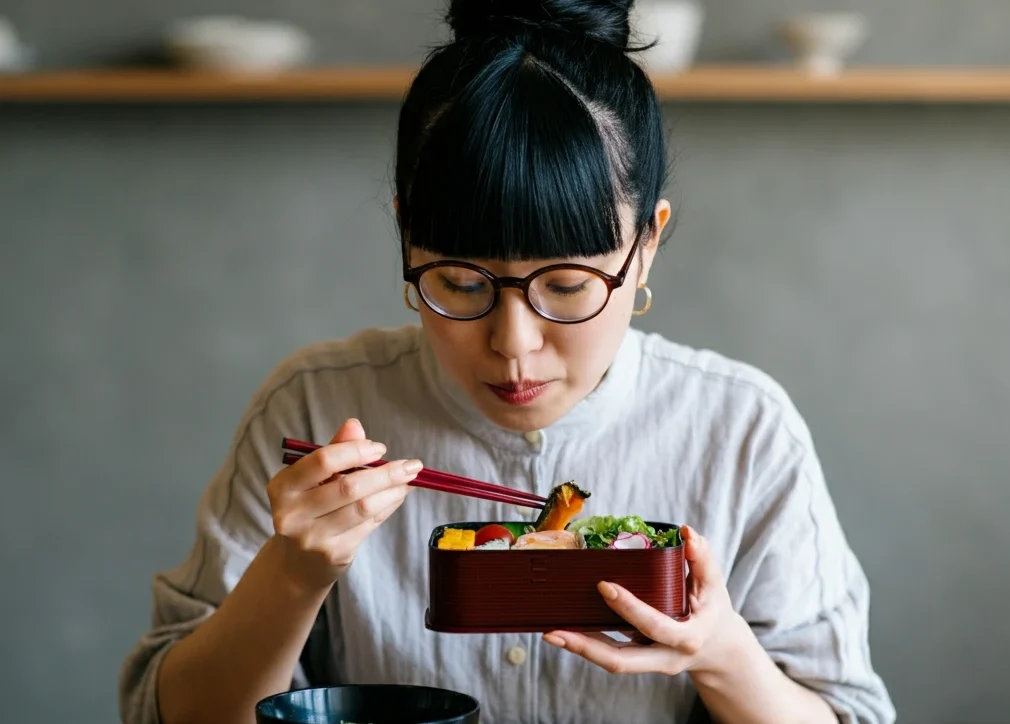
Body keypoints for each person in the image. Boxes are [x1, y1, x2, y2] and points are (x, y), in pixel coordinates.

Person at [118, 1, 896, 723]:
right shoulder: (314, 409)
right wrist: (291, 575)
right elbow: (164, 711)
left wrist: (722, 655)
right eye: (460, 282)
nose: (513, 342)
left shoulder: (741, 430)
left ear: (647, 245)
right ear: (404, 238)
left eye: (567, 284)